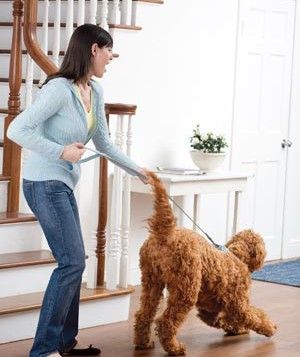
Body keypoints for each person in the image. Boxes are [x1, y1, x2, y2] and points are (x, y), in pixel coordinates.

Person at [7, 24, 149, 357]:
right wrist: (61, 151)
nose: (111, 57)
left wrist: (138, 169)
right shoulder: (58, 89)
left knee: (75, 262)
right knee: (71, 262)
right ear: (92, 50)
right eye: (108, 50)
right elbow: (16, 129)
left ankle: (63, 344)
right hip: (43, 182)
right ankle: (43, 350)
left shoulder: (95, 91)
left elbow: (104, 143)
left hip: (63, 183)